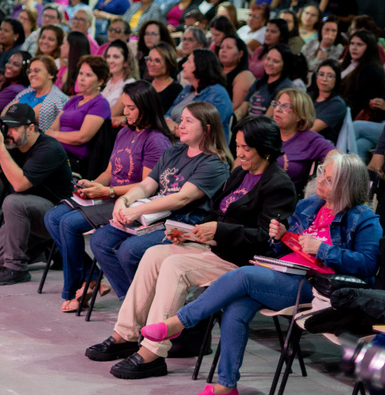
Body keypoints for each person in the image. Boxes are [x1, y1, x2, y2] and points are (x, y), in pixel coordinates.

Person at [146, 151, 378, 395]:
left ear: (347, 185)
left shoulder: (364, 219)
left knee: (244, 275)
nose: (320, 181)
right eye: (322, 174)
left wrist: (324, 250)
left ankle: (181, 321)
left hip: (315, 285)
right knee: (236, 308)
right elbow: (283, 246)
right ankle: (226, 385)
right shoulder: (310, 205)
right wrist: (278, 237)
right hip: (284, 271)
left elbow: (367, 266)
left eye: (329, 179)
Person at [85, 116, 297, 379]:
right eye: (238, 146)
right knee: (153, 254)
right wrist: (193, 234)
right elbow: (219, 212)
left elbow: (266, 238)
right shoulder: (241, 172)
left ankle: (153, 352)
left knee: (175, 266)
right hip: (215, 248)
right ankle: (126, 334)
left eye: (246, 148)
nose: (239, 153)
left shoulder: (279, 184)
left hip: (242, 261)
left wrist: (218, 231)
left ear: (266, 150)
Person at [46, 82, 174, 312]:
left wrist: (106, 191)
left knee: (69, 223)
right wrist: (94, 184)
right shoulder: (125, 131)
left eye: (131, 108)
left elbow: (148, 187)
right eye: (124, 106)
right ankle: (92, 277)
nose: (125, 112)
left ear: (146, 107)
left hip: (131, 203)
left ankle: (79, 288)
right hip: (109, 195)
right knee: (53, 217)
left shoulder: (155, 139)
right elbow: (110, 172)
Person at [91, 101, 233, 302]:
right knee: (100, 240)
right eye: (181, 120)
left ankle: (145, 305)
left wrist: (137, 211)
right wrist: (123, 200)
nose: (180, 125)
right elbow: (147, 185)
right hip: (155, 216)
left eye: (188, 121)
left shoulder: (214, 162)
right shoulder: (174, 151)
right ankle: (133, 301)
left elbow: (182, 198)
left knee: (129, 251)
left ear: (207, 129)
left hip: (183, 223)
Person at [0, 103, 74, 285]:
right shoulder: (13, 145)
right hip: (26, 217)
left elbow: (20, 185)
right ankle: (49, 249)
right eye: (6, 126)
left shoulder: (48, 148)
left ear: (31, 128)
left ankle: (17, 269)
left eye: (14, 128)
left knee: (14, 201)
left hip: (56, 215)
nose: (8, 132)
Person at [45, 55, 112, 171]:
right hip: (55, 150)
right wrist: (52, 134)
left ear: (100, 81)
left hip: (74, 159)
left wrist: (54, 135)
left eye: (88, 75)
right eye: (80, 73)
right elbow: (52, 128)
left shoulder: (100, 103)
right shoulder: (74, 100)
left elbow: (82, 137)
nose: (81, 78)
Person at [166, 49, 234, 130]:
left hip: (198, 142)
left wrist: (175, 132)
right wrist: (168, 120)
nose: (183, 65)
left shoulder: (217, 93)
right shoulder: (187, 89)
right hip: (174, 139)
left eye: (188, 61)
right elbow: (168, 113)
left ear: (200, 65)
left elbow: (207, 129)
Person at [239, 45, 297, 119]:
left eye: (276, 61)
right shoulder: (258, 82)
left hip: (263, 128)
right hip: (249, 125)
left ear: (285, 65)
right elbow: (242, 109)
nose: (269, 63)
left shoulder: (285, 87)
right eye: (268, 58)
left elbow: (268, 118)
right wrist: (233, 118)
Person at [139, 43, 182, 116]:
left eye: (157, 61)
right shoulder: (144, 84)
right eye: (149, 59)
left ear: (169, 63)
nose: (151, 64)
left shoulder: (175, 89)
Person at [218, 35, 256, 113]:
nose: (223, 50)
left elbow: (236, 106)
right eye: (221, 47)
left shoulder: (244, 75)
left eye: (229, 47)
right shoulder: (216, 71)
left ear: (240, 53)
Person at [0, 51, 30, 116]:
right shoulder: (13, 86)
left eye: (15, 64)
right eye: (9, 62)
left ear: (24, 70)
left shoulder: (14, 90)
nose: (9, 66)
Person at [102, 39, 138, 114]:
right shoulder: (105, 81)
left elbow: (112, 114)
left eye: (116, 57)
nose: (110, 60)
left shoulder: (130, 84)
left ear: (126, 62)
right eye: (108, 56)